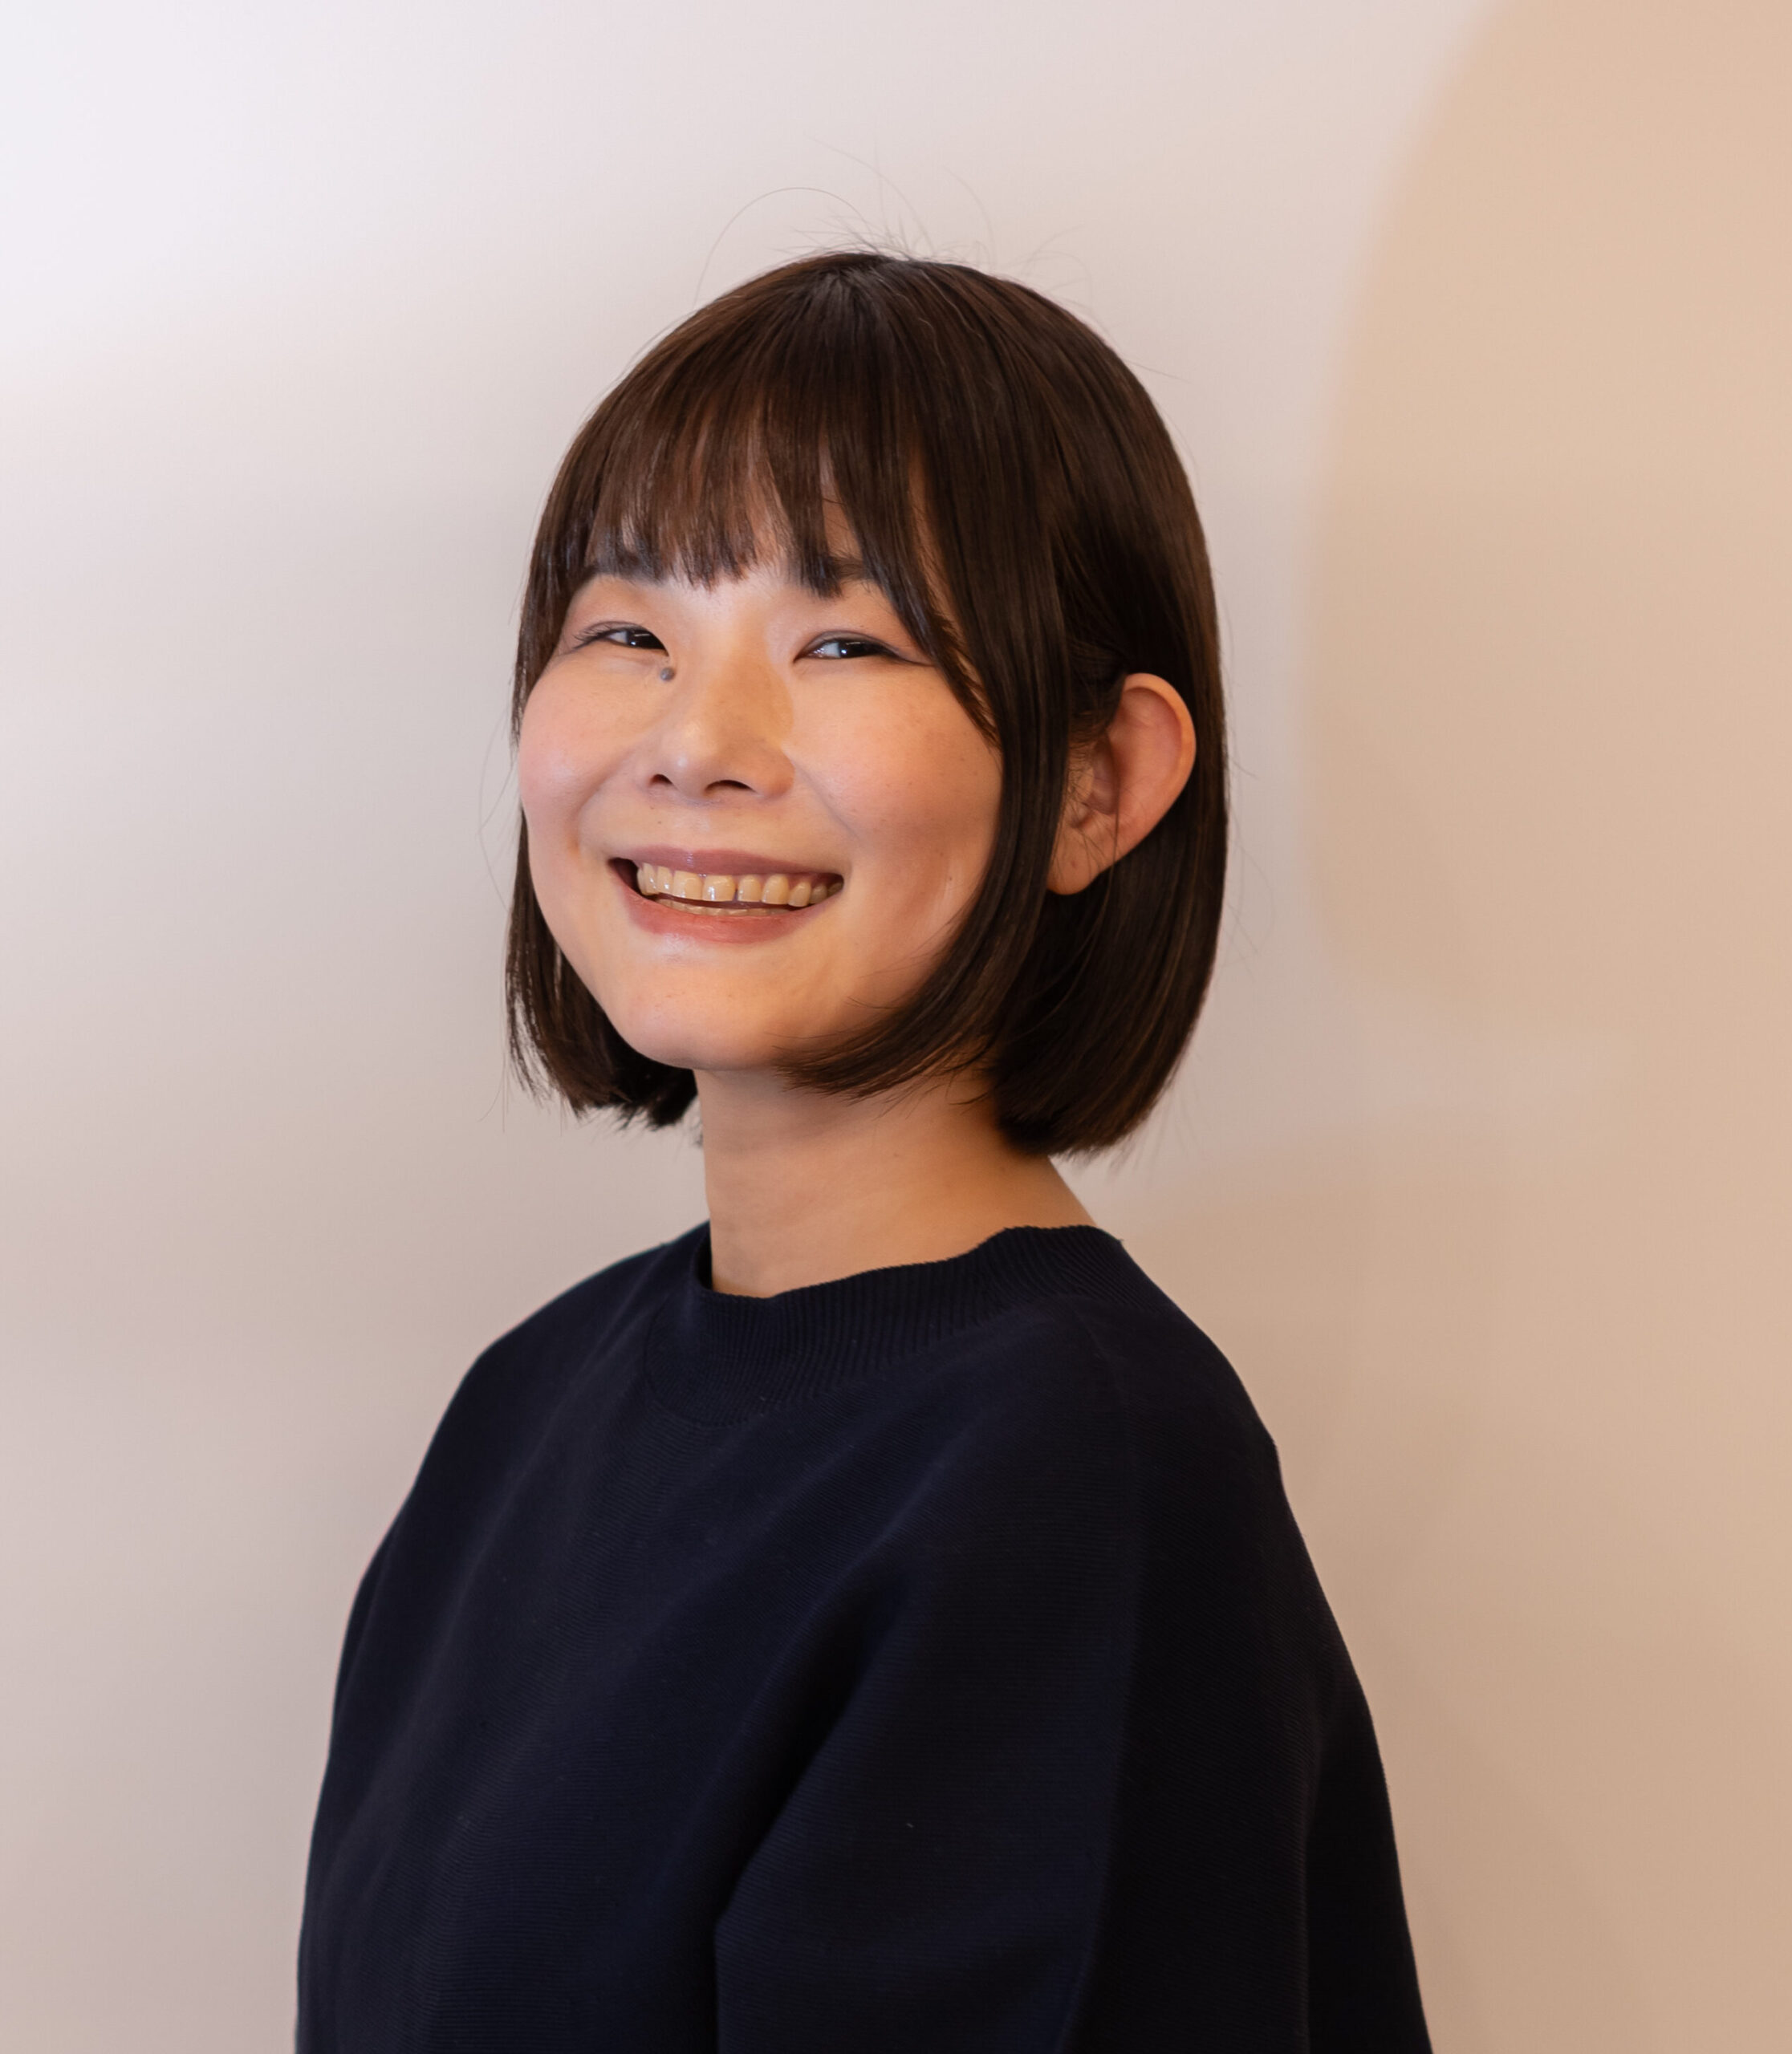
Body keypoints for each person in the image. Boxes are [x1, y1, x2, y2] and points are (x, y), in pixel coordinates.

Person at [295, 250, 1432, 2052]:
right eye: (627, 632)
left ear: (1097, 782)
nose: (696, 743)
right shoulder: (528, 1408)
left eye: (842, 643)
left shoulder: (1072, 1475)